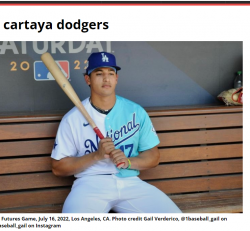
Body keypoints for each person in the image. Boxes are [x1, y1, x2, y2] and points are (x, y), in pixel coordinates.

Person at [51, 52, 182, 213]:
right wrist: (96, 156)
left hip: (131, 184)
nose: (106, 79)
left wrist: (128, 162)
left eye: (111, 73)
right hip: (89, 185)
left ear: (116, 78)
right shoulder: (72, 118)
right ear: (88, 79)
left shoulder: (136, 111)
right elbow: (58, 168)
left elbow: (153, 157)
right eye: (99, 74)